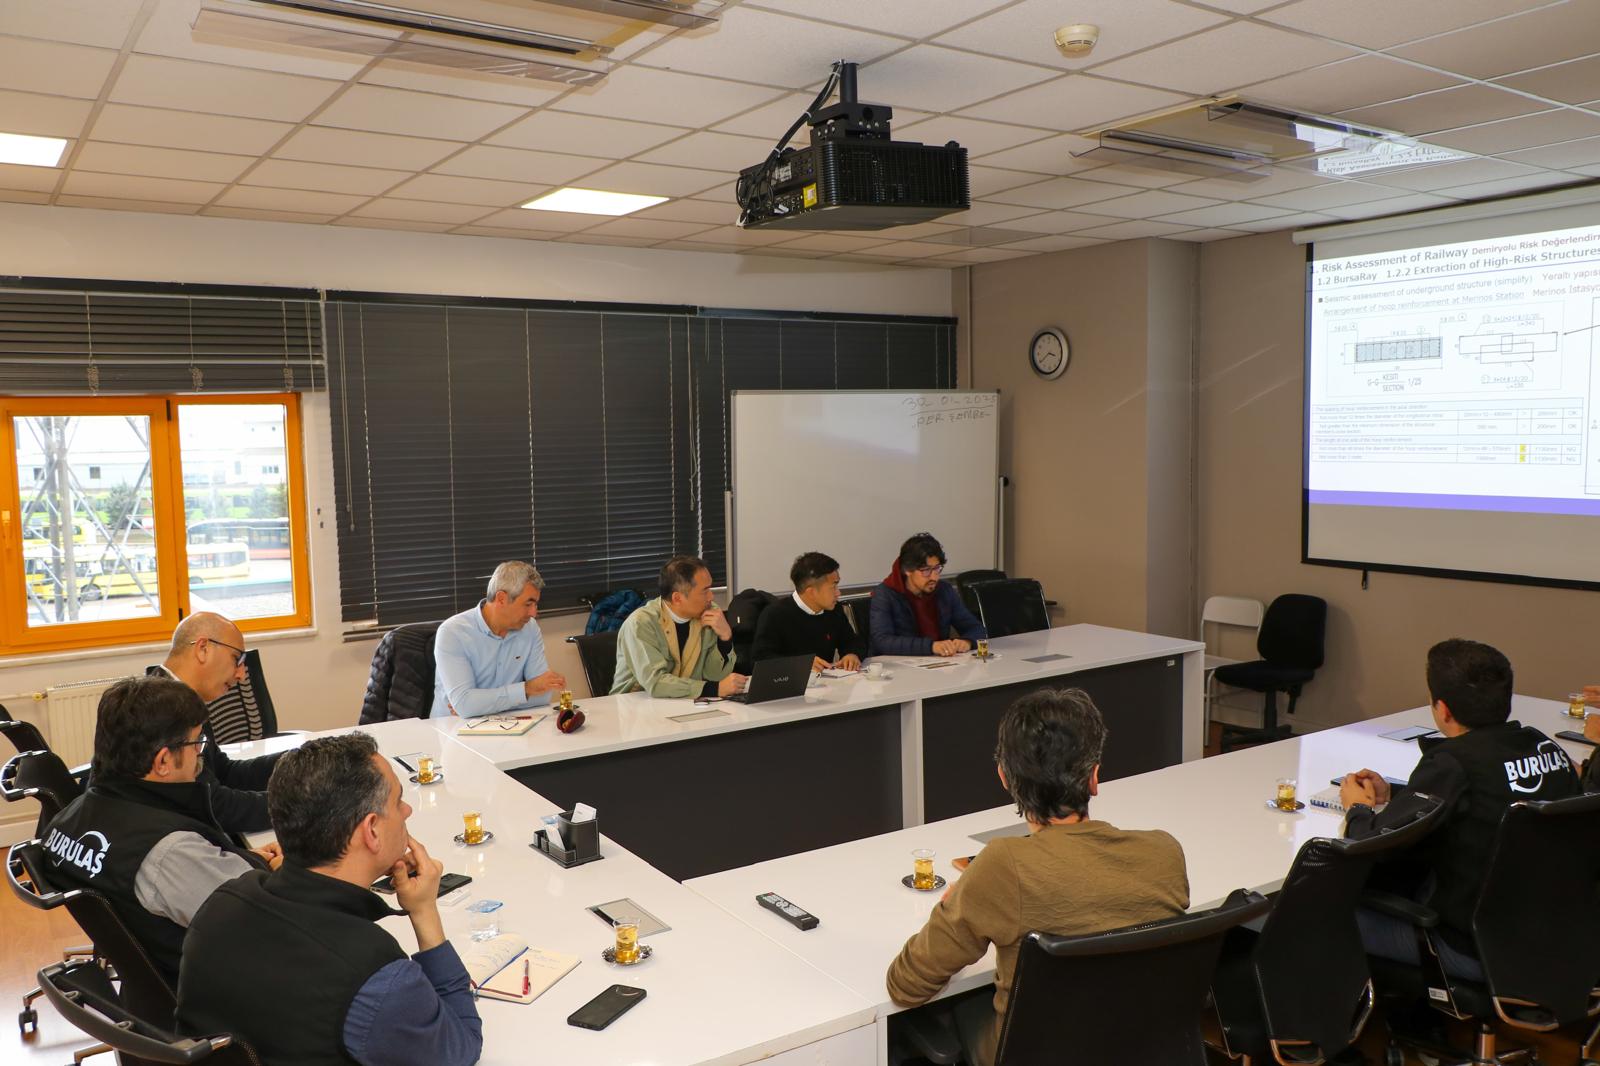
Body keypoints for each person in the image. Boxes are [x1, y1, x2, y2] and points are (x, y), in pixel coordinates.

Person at [885, 688, 1189, 1066]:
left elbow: (906, 984)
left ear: (1005, 779)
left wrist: (956, 901)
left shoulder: (1002, 865)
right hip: (1144, 1047)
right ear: (1094, 777)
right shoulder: (1165, 852)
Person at [177, 733, 482, 1066]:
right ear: (372, 830)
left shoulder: (220, 903)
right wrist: (425, 912)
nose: (407, 810)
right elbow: (459, 1051)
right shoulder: (375, 977)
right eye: (397, 801)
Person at [1339, 638, 1581, 979]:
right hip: (1556, 935)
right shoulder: (1545, 747)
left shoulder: (1454, 762)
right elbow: (1487, 792)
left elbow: (1369, 847)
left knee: (1312, 912)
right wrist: (1395, 792)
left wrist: (1357, 809)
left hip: (1471, 945)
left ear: (1443, 709)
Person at [40, 677, 275, 986]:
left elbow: (170, 883)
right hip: (214, 991)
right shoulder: (170, 852)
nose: (200, 756)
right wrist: (290, 873)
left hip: (148, 982)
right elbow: (271, 924)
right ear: (163, 760)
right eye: (197, 744)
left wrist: (242, 859)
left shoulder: (69, 818)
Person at [148, 611, 284, 834]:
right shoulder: (162, 712)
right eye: (237, 659)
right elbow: (216, 807)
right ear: (203, 648)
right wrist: (301, 803)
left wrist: (297, 761)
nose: (241, 674)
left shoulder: (182, 699)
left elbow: (224, 773)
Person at [431, 560, 565, 718]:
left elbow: (543, 694)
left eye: (535, 605)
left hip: (509, 726)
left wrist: (479, 706)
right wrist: (526, 690)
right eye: (528, 604)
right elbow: (466, 706)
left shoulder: (530, 628)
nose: (533, 613)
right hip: (453, 731)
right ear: (501, 598)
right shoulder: (453, 633)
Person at [612, 555, 747, 698]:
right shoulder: (641, 623)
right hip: (634, 705)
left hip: (684, 703)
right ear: (677, 598)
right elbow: (656, 683)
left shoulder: (709, 614)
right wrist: (714, 689)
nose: (711, 597)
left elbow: (713, 675)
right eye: (704, 591)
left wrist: (725, 638)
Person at [869, 532, 986, 658]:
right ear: (907, 570)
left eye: (937, 569)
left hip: (940, 663)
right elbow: (882, 641)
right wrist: (932, 646)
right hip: (898, 667)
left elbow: (976, 628)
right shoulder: (885, 594)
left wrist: (968, 641)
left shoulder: (945, 590)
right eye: (926, 570)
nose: (934, 577)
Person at [751, 551, 868, 673]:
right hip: (789, 687)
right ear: (811, 592)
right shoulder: (775, 614)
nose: (838, 593)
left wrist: (852, 654)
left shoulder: (834, 610)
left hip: (827, 685)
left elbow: (853, 641)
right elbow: (760, 660)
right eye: (833, 587)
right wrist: (800, 664)